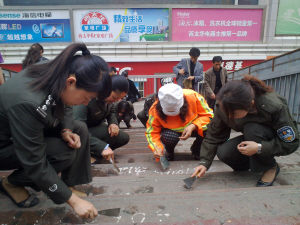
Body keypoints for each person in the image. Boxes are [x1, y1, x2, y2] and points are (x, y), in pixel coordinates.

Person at [0, 43, 112, 219]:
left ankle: (69, 184)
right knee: (63, 153)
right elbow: (34, 161)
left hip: (25, 127)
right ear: (71, 82)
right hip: (5, 143)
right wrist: (73, 201)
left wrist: (66, 129)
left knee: (79, 128)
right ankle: (11, 183)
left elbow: (65, 103)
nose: (85, 104)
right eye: (86, 98)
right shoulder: (27, 102)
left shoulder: (55, 71)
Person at [192, 75, 299, 187]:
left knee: (251, 129)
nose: (229, 117)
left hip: (267, 138)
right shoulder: (223, 104)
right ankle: (255, 163)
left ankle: (270, 166)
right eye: (226, 113)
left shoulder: (273, 105)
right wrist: (204, 163)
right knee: (224, 153)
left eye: (234, 114)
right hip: (253, 138)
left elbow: (291, 143)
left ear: (250, 105)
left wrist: (259, 148)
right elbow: (214, 135)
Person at [145, 83, 214, 161]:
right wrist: (156, 147)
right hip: (171, 133)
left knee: (211, 129)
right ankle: (169, 151)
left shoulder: (193, 96)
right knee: (168, 137)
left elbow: (209, 116)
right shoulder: (154, 109)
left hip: (195, 128)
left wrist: (193, 126)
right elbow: (152, 132)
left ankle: (197, 149)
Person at [73, 75, 130, 164]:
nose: (115, 100)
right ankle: (86, 154)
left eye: (119, 98)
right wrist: (102, 146)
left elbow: (112, 111)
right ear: (106, 89)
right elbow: (77, 128)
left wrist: (113, 123)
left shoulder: (108, 99)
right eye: (114, 97)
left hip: (95, 127)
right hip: (80, 131)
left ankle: (96, 153)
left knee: (123, 137)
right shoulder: (87, 98)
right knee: (109, 134)